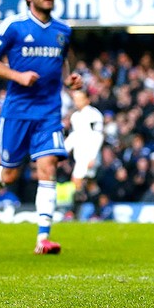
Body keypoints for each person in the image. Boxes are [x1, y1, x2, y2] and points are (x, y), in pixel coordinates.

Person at [0, 0, 83, 255]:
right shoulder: (13, 26)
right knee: (10, 176)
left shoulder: (63, 30)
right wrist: (17, 76)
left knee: (48, 167)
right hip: (17, 112)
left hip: (49, 112)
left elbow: (62, 63)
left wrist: (69, 79)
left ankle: (43, 238)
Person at [64, 89, 104, 220]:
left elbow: (98, 136)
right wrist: (64, 149)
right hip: (80, 155)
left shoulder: (94, 115)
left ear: (87, 99)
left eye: (80, 98)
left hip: (89, 155)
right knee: (91, 185)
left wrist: (93, 156)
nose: (77, 101)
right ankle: (97, 213)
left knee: (77, 181)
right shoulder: (75, 116)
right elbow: (74, 136)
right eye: (75, 99)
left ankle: (73, 212)